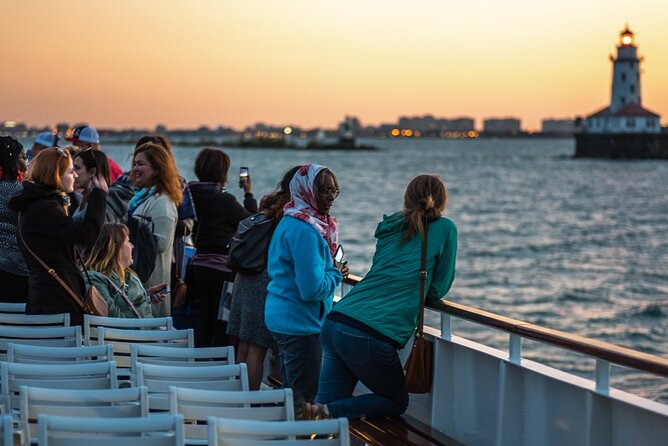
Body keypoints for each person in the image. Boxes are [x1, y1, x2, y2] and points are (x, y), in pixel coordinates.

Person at [314, 174, 457, 420]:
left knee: (322, 409)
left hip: (338, 319)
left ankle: (315, 414)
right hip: (368, 331)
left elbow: (382, 270)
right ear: (441, 200)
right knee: (395, 400)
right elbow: (438, 288)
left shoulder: (391, 227)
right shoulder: (444, 228)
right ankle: (324, 411)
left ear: (408, 198)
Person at [264, 164, 347, 419]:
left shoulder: (291, 219)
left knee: (291, 393)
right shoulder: (306, 231)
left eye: (334, 191)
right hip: (300, 324)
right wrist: (336, 272)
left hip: (284, 316)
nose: (330, 197)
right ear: (306, 190)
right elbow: (311, 290)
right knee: (302, 399)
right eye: (323, 190)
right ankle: (292, 437)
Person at [8, 147, 108, 326]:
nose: (75, 176)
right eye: (71, 171)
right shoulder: (43, 209)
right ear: (56, 174)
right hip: (56, 302)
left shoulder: (36, 205)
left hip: (49, 298)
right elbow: (86, 234)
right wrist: (98, 196)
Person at [227, 165, 302, 390]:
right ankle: (247, 405)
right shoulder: (292, 212)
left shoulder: (269, 204)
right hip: (264, 281)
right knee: (256, 350)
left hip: (245, 278)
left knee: (243, 345)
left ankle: (234, 398)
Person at [186, 148, 257, 347]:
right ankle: (217, 368)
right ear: (223, 172)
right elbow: (250, 222)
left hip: (198, 266)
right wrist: (249, 193)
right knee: (222, 322)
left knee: (204, 320)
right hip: (222, 271)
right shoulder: (224, 200)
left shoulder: (189, 195)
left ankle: (198, 365)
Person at [129, 142, 182, 316]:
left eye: (141, 164)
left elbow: (160, 244)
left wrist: (133, 229)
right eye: (134, 163)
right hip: (137, 281)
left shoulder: (162, 203)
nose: (135, 168)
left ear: (157, 169)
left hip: (152, 284)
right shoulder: (141, 198)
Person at [85, 223, 167, 318]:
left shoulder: (126, 273)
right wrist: (144, 308)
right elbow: (115, 319)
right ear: (116, 248)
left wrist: (146, 297)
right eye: (128, 241)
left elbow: (127, 304)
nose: (132, 246)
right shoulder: (94, 280)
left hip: (145, 329)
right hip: (136, 331)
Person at [0, 137, 29, 302]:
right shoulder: (20, 192)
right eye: (24, 157)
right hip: (15, 268)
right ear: (11, 160)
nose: (27, 163)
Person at [72, 148, 114, 224]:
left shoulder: (105, 202)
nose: (73, 173)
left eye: (77, 168)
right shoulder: (86, 198)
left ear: (92, 171)